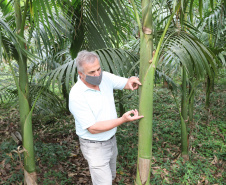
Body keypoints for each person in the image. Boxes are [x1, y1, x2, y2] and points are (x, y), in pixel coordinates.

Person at [69, 50, 144, 185]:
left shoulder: (105, 78)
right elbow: (93, 128)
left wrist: (131, 81)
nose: (97, 74)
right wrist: (122, 120)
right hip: (94, 146)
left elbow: (125, 83)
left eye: (98, 69)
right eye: (92, 72)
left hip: (111, 140)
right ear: (81, 74)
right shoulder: (76, 95)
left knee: (111, 176)